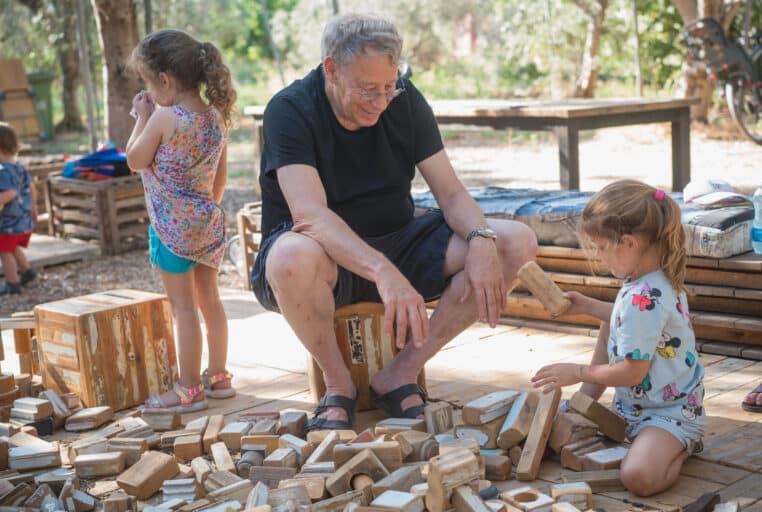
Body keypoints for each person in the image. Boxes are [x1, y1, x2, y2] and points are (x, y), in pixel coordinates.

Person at [251, 13, 538, 430]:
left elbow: (452, 193)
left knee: (515, 241)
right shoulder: (289, 110)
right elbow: (310, 217)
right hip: (323, 258)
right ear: (331, 68)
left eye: (388, 87)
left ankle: (400, 374)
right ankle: (338, 385)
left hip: (403, 240)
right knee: (291, 255)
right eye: (368, 90)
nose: (381, 102)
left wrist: (480, 239)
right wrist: (383, 272)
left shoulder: (404, 98)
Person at [531, 180, 706, 497]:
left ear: (628, 243)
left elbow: (632, 371)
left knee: (638, 477)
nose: (599, 256)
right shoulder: (649, 276)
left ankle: (684, 445)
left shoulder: (647, 292)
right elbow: (631, 320)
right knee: (609, 322)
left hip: (670, 414)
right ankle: (585, 404)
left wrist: (577, 371)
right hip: (635, 408)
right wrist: (588, 306)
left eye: (600, 247)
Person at [126, 29, 238, 412]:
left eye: (147, 82)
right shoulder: (214, 119)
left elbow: (135, 160)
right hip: (207, 222)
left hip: (172, 230)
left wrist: (141, 118)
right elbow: (219, 180)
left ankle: (189, 389)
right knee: (210, 301)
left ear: (166, 80)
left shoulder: (163, 117)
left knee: (183, 309)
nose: (148, 91)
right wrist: (202, 212)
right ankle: (219, 376)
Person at [0, 122, 37, 295]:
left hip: (10, 221)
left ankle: (12, 283)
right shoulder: (19, 166)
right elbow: (32, 187)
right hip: (23, 219)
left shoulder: (3, 170)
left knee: (4, 250)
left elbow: (11, 193)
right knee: (13, 247)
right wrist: (34, 207)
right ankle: (28, 272)